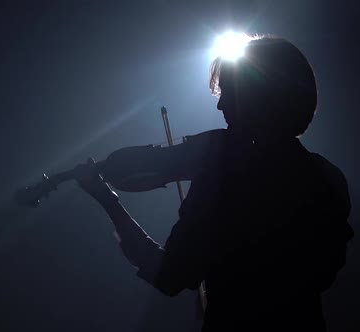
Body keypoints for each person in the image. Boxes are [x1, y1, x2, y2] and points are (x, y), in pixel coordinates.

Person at [75, 36, 353, 332]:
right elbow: (324, 275)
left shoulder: (222, 172)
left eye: (229, 93)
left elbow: (168, 275)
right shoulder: (327, 178)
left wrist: (108, 200)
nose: (220, 105)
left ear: (259, 98)